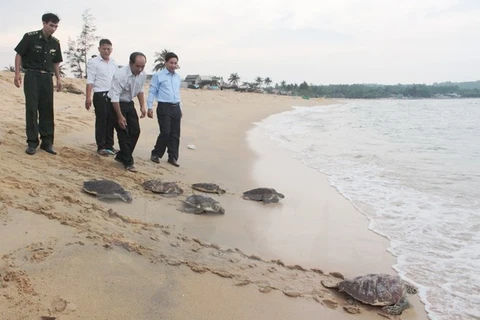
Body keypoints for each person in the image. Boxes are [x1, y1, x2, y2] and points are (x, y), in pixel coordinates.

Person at [13, 13, 63, 155]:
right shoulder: (30, 37)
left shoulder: (55, 42)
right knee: (32, 108)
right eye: (51, 25)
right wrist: (17, 73)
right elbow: (19, 54)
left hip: (47, 77)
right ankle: (32, 142)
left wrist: (58, 78)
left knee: (47, 109)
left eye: (56, 26)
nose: (53, 29)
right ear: (44, 23)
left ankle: (47, 143)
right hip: (32, 75)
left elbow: (56, 62)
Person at [107, 52, 148, 172]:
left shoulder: (142, 75)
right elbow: (114, 97)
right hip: (116, 104)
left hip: (129, 103)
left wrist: (142, 106)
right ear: (130, 63)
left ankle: (122, 156)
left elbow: (140, 89)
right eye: (137, 66)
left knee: (135, 131)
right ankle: (128, 162)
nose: (140, 69)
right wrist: (119, 116)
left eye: (143, 66)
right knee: (123, 132)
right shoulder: (121, 75)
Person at [147, 52, 182, 167]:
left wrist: (180, 109)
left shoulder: (177, 77)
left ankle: (173, 157)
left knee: (175, 134)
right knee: (165, 132)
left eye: (175, 63)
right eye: (171, 62)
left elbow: (177, 93)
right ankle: (156, 154)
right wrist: (149, 106)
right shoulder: (158, 76)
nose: (173, 65)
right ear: (165, 62)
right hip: (164, 107)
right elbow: (152, 91)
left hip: (176, 107)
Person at [85, 39, 118, 156]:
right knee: (101, 120)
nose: (106, 51)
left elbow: (116, 80)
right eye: (104, 48)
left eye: (109, 49)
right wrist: (88, 97)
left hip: (112, 95)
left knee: (111, 121)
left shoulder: (114, 63)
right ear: (99, 49)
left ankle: (110, 145)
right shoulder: (94, 62)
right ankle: (101, 146)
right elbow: (90, 81)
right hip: (100, 94)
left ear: (111, 49)